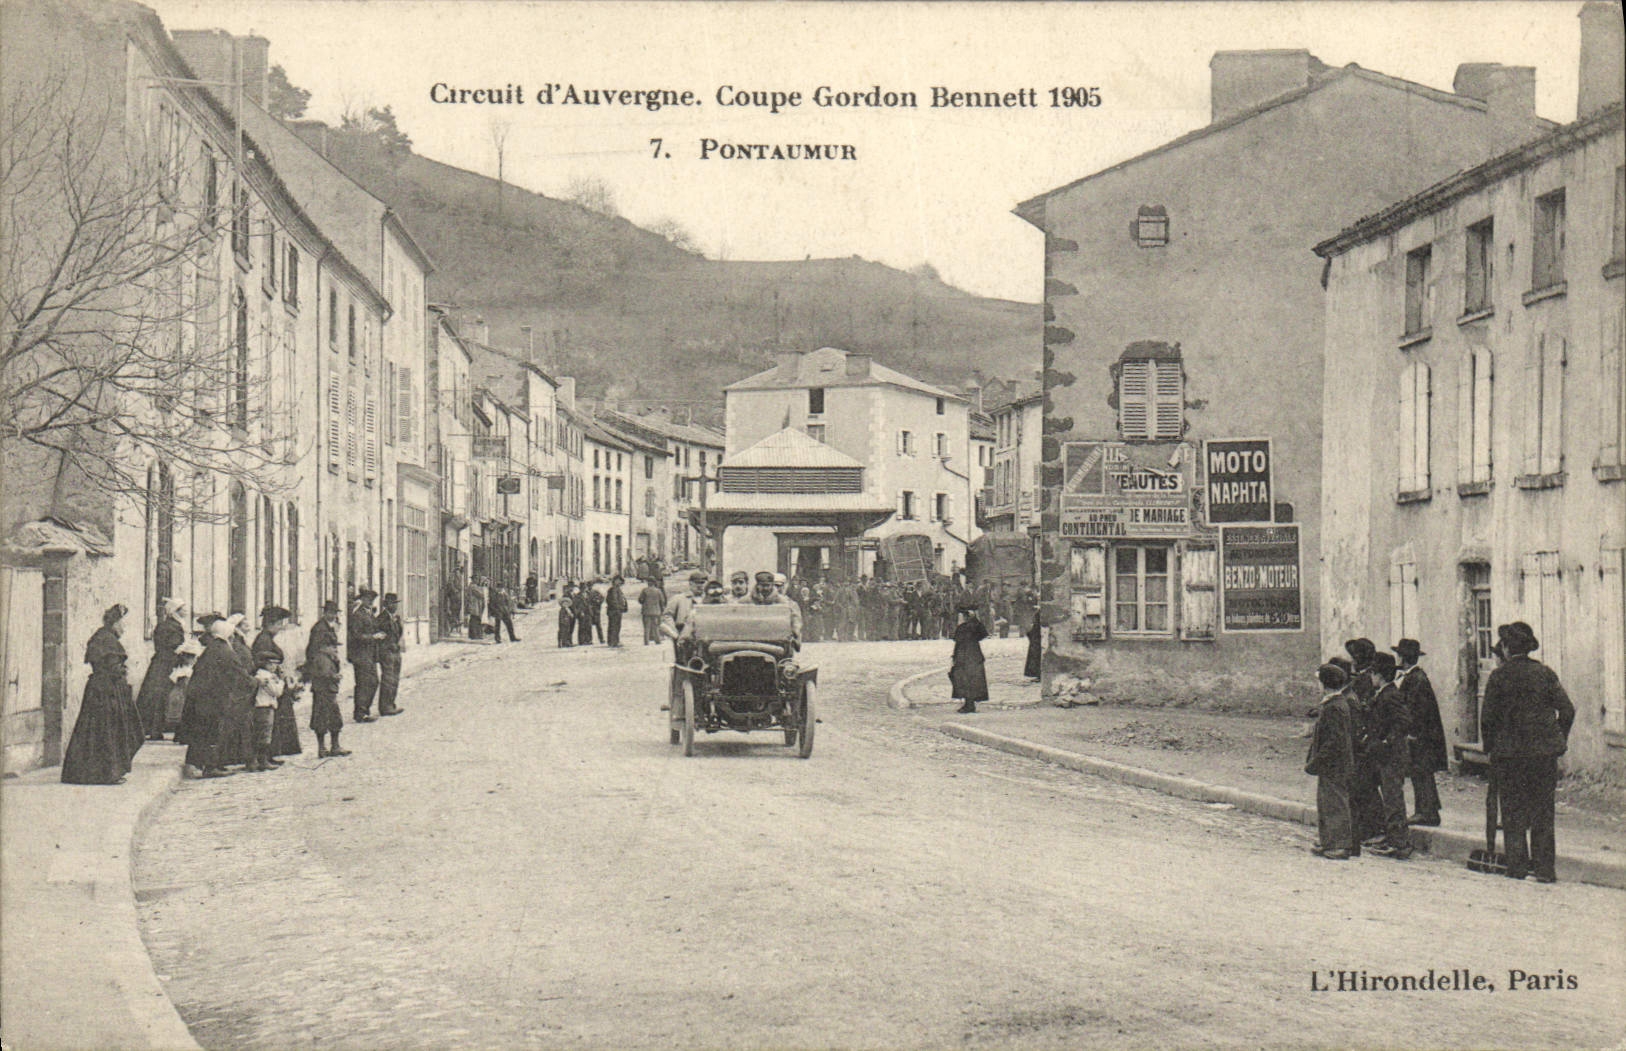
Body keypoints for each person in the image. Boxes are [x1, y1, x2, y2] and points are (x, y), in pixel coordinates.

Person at [1481, 622, 1574, 883]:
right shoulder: (1545, 674)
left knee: (1512, 813)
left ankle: (1517, 868)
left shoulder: (1498, 677)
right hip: (1543, 757)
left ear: (1508, 649)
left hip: (1509, 757)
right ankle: (1544, 870)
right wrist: (1557, 740)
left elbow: (1487, 719)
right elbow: (1567, 710)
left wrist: (1491, 749)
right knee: (1543, 812)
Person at [61, 604, 145, 784]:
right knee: (105, 731)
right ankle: (105, 773)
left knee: (105, 730)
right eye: (123, 623)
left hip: (103, 690)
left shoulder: (103, 637)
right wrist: (122, 671)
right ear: (114, 622)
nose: (124, 627)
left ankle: (106, 772)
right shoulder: (106, 640)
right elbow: (111, 668)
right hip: (105, 692)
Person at [182, 615, 252, 778]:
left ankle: (204, 764)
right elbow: (239, 673)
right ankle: (210, 766)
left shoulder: (213, 647)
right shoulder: (225, 650)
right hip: (213, 698)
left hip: (203, 696)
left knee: (204, 731)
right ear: (228, 635)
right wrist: (255, 682)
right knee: (212, 731)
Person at [1307, 663, 1358, 860]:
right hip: (1332, 763)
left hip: (1334, 764)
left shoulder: (1335, 707)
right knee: (1326, 802)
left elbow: (1334, 741)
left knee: (1336, 803)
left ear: (1325, 684)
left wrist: (1318, 760)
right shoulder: (1332, 703)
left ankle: (1341, 845)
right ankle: (1328, 841)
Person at [1393, 638, 1446, 827]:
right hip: (1421, 735)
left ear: (1403, 658)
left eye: (1398, 655)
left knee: (1421, 772)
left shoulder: (1417, 679)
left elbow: (1418, 710)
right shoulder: (1412, 677)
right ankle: (1426, 810)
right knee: (1419, 773)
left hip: (1421, 736)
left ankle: (1427, 812)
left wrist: (1412, 732)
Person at [1367, 652, 1413, 859]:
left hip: (1392, 755)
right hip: (1386, 754)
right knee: (1389, 797)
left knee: (1393, 798)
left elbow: (1404, 722)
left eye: (1373, 674)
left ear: (1379, 675)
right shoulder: (1386, 693)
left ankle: (1400, 843)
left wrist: (1388, 741)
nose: (1371, 678)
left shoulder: (1391, 695)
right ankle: (1391, 837)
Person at [1343, 637, 1384, 845]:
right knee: (1360, 783)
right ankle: (1364, 827)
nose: (1351, 661)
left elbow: (1366, 708)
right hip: (1362, 737)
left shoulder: (1366, 680)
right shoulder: (1361, 677)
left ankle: (1373, 827)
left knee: (1364, 784)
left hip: (1364, 738)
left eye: (1353, 657)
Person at [254, 606, 301, 759]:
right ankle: (270, 754)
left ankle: (275, 752)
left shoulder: (267, 638)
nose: (281, 628)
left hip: (275, 682)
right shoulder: (263, 640)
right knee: (272, 720)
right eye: (279, 624)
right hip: (270, 685)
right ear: (271, 624)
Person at [136, 597, 187, 740]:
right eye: (182, 608)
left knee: (157, 696)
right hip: (164, 664)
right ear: (175, 611)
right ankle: (153, 729)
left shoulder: (170, 625)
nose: (186, 610)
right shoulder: (170, 626)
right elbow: (171, 646)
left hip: (163, 663)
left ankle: (152, 728)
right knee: (157, 697)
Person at [304, 600, 350, 757]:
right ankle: (325, 747)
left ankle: (329, 747)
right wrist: (331, 674)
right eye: (330, 612)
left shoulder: (328, 627)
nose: (333, 615)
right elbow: (313, 655)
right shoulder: (319, 630)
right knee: (325, 714)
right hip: (323, 682)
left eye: (335, 612)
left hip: (325, 682)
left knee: (327, 714)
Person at [948, 603, 990, 714]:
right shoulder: (975, 626)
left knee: (965, 681)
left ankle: (968, 705)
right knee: (972, 681)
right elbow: (983, 634)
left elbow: (956, 641)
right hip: (974, 655)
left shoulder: (962, 628)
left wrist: (954, 657)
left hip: (963, 656)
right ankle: (969, 704)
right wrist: (975, 620)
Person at [349, 588, 381, 722]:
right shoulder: (358, 615)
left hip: (370, 654)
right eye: (368, 599)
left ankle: (364, 710)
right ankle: (360, 713)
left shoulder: (369, 614)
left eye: (372, 600)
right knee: (363, 683)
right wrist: (373, 637)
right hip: (361, 654)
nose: (370, 602)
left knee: (373, 682)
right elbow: (356, 636)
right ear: (362, 600)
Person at [662, 571, 709, 662]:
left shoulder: (710, 599)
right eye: (697, 583)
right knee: (683, 663)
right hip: (684, 637)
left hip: (705, 638)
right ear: (690, 584)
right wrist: (675, 634)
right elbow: (667, 616)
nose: (700, 586)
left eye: (702, 583)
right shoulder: (679, 598)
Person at [376, 593, 406, 715]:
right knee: (388, 679)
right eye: (392, 604)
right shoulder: (382, 618)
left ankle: (391, 704)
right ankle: (385, 706)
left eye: (395, 604)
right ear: (386, 605)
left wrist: (397, 622)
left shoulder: (396, 618)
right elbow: (381, 636)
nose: (394, 606)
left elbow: (398, 633)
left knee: (395, 679)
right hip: (387, 652)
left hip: (395, 651)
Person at [640, 578, 666, 644]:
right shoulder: (658, 591)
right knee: (656, 626)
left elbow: (640, 600)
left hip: (646, 611)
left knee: (647, 627)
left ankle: (646, 642)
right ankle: (657, 641)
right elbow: (662, 601)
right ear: (654, 583)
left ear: (648, 583)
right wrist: (661, 609)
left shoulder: (645, 590)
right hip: (656, 611)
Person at [605, 575, 628, 647]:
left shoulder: (617, 589)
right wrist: (619, 607)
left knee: (617, 626)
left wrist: (624, 606)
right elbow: (613, 601)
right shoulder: (613, 590)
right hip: (614, 611)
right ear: (615, 581)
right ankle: (613, 642)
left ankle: (615, 641)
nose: (620, 583)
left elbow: (622, 599)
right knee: (613, 626)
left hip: (617, 610)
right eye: (619, 581)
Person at [1024, 603, 1043, 681]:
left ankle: (1039, 674)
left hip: (1037, 636)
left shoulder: (1040, 612)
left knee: (1037, 655)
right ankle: (1038, 674)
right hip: (1036, 635)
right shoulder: (1039, 612)